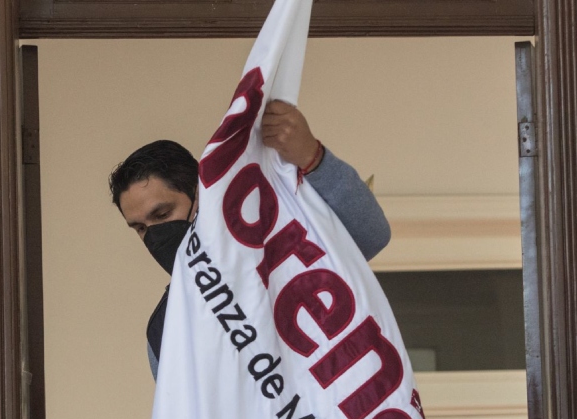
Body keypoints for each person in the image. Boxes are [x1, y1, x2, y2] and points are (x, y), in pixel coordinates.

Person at [109, 101, 391, 378]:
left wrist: (312, 157)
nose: (155, 237)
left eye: (162, 213)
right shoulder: (165, 331)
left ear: (201, 193)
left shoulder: (276, 245)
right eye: (140, 228)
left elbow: (370, 236)